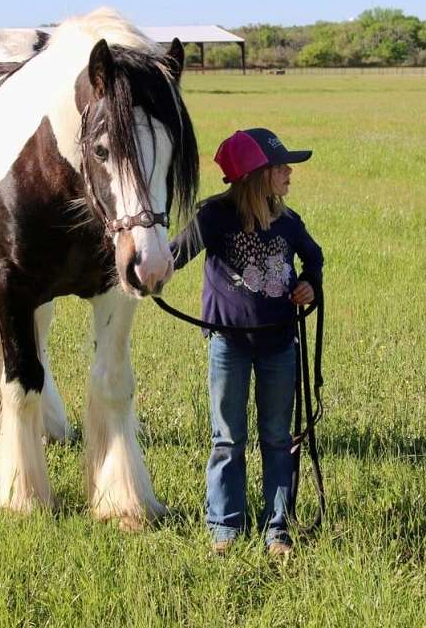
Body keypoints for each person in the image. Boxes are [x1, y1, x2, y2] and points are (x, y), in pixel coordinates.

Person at [170, 128, 323, 557]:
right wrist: (142, 266)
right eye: (281, 167)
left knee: (278, 437)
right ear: (258, 175)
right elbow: (174, 255)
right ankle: (225, 527)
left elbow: (314, 258)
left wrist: (310, 284)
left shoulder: (289, 223)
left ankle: (278, 530)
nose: (290, 172)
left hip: (279, 346)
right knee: (228, 439)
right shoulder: (213, 217)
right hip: (228, 346)